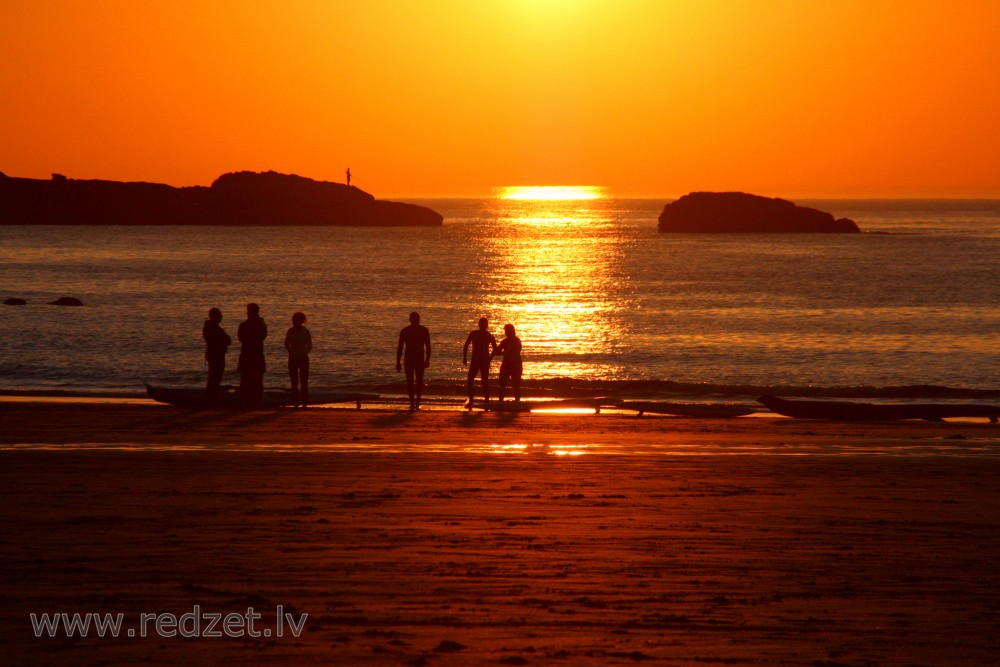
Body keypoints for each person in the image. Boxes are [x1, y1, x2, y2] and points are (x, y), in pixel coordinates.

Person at [396, 311, 431, 410]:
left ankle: (416, 403)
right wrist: (398, 362)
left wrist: (427, 359)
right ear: (410, 320)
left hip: (417, 358)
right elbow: (400, 347)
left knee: (416, 381)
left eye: (417, 319)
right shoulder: (405, 331)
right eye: (415, 319)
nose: (416, 321)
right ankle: (413, 403)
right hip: (410, 358)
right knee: (411, 381)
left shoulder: (423, 330)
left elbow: (428, 346)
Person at [237, 303, 267, 406]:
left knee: (245, 380)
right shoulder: (261, 325)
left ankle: (245, 400)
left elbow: (240, 338)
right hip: (257, 355)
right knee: (257, 380)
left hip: (246, 355)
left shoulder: (244, 325)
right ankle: (257, 401)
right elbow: (263, 336)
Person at [463, 317, 497, 408]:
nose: (482, 325)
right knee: (470, 380)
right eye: (481, 324)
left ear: (486, 325)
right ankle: (471, 399)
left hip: (484, 361)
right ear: (479, 324)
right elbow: (466, 345)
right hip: (475, 360)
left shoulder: (489, 335)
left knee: (484, 381)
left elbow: (495, 349)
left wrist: (490, 359)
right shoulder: (474, 334)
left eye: (484, 324)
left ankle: (486, 400)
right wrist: (465, 357)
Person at [284, 311, 312, 408]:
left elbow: (309, 345)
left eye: (296, 320)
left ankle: (304, 401)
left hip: (303, 358)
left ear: (301, 321)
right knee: (294, 380)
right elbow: (286, 344)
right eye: (293, 320)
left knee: (304, 380)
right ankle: (295, 401)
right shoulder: (290, 331)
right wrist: (291, 352)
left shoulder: (306, 331)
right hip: (293, 357)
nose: (294, 321)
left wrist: (304, 352)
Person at [202, 307, 231, 400]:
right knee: (215, 377)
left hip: (213, 354)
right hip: (216, 355)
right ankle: (211, 396)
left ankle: (211, 395)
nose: (221, 316)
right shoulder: (215, 329)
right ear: (215, 316)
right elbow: (227, 340)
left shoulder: (210, 327)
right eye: (219, 315)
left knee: (213, 377)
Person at [495, 323, 523, 402]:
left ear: (512, 331)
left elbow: (517, 351)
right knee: (502, 384)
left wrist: (504, 352)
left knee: (516, 384)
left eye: (507, 331)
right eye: (505, 331)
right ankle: (501, 401)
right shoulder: (505, 341)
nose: (506, 333)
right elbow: (497, 351)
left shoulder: (516, 341)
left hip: (515, 364)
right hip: (507, 364)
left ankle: (517, 401)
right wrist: (503, 352)